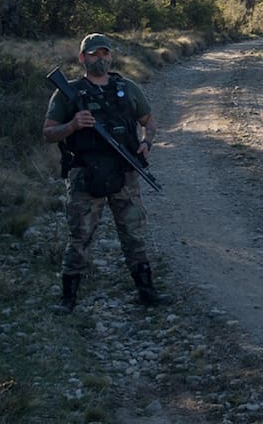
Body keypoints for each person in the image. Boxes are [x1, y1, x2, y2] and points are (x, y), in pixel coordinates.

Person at [42, 33, 170, 313]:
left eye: (104, 53)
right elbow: (49, 133)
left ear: (111, 56)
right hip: (85, 175)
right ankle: (68, 299)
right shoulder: (68, 93)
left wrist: (146, 143)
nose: (99, 59)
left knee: (133, 234)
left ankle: (147, 292)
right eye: (93, 54)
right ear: (82, 58)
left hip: (125, 171)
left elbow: (149, 122)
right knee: (80, 236)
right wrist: (74, 125)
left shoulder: (128, 88)